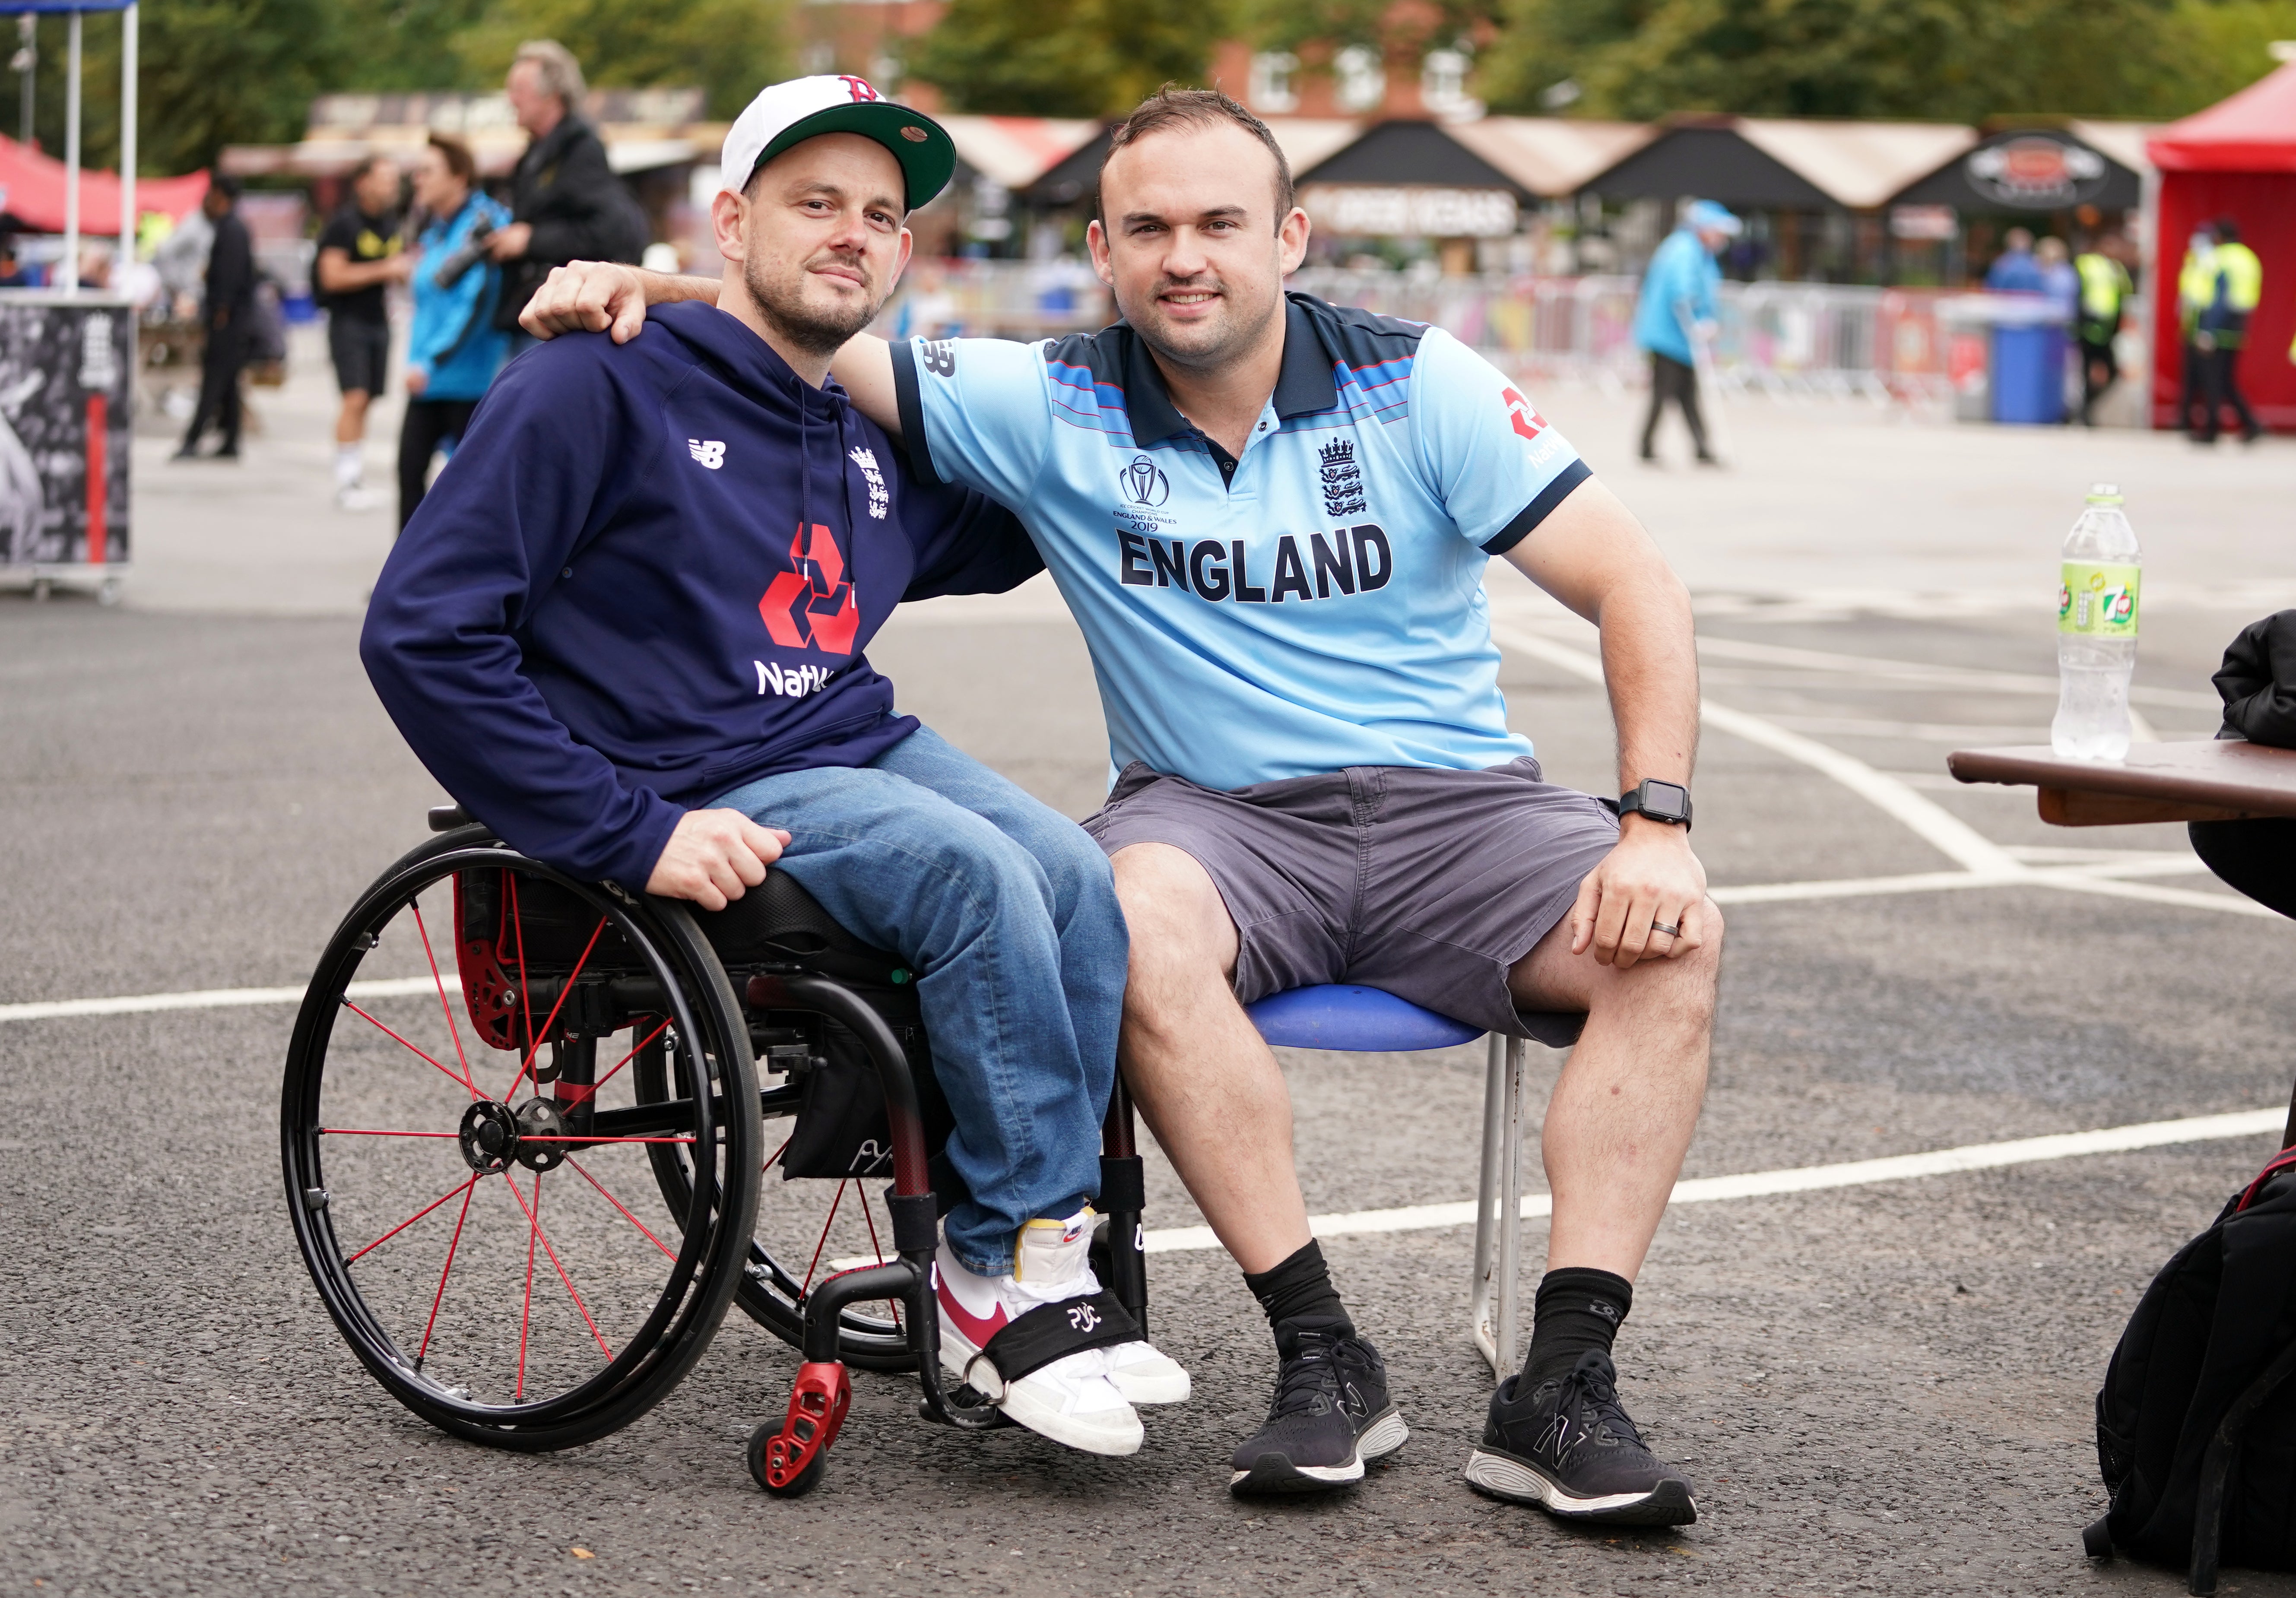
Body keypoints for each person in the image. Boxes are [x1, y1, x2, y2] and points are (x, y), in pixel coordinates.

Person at [527, 84, 1722, 1525]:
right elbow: (806, 309)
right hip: (1215, 822)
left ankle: (1565, 1384)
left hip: (1457, 811)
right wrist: (632, 283)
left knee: (1673, 941)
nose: (1185, 257)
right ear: (1101, 247)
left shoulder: (1425, 382)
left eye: (1221, 222)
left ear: (1288, 237)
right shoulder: (1048, 397)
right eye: (1148, 227)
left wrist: (1652, 819)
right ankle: (1318, 1352)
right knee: (1123, 912)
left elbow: (1632, 583)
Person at [362, 75, 1191, 1459]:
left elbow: (1036, 501)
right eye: (814, 205)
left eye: (879, 216)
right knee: (979, 877)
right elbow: (420, 633)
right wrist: (628, 832)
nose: (852, 234)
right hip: (684, 776)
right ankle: (996, 1273)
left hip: (847, 742)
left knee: (1073, 871)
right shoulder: (591, 380)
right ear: (730, 219)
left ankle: (1050, 1255)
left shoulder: (854, 422)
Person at [486, 40, 646, 349]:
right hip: (540, 314)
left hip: (564, 324)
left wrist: (530, 240)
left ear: (553, 95)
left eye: (519, 89)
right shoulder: (536, 154)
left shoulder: (580, 150)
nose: (511, 100)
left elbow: (612, 234)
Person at [396, 134, 511, 530]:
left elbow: (474, 304)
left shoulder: (485, 223)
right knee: (409, 475)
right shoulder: (438, 229)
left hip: (469, 380)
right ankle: (405, 582)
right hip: (430, 379)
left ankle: (460, 584)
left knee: (470, 495)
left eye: (428, 171)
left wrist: (429, 361)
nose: (418, 179)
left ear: (460, 177)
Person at [315, 156, 412, 508]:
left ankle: (355, 476)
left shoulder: (390, 223)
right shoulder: (344, 223)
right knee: (353, 398)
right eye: (385, 178)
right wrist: (386, 268)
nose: (392, 186)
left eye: (395, 179)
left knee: (367, 400)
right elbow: (332, 276)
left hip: (379, 321)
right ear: (363, 183)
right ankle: (346, 482)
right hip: (348, 322)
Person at [1630, 199, 1737, 466]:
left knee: (1686, 393)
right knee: (1665, 391)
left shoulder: (1698, 251)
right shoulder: (1683, 249)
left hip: (1681, 339)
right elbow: (1683, 291)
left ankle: (1701, 447)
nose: (1721, 238)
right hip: (1669, 336)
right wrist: (1699, 322)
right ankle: (1647, 445)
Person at [174, 176, 255, 461]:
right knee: (229, 381)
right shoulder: (231, 228)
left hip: (228, 320)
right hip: (231, 318)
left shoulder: (231, 230)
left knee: (215, 378)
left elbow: (231, 277)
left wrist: (221, 311)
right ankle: (231, 438)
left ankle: (192, 439)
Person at [2188, 215, 2263, 445]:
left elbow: (2221, 298)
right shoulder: (2249, 258)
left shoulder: (2220, 258)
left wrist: (2208, 330)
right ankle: (2251, 424)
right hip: (2238, 326)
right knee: (2226, 381)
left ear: (2219, 237)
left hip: (2218, 325)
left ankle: (2212, 429)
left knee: (2212, 380)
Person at [2074, 233, 2133, 427]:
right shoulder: (2087, 264)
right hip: (2089, 326)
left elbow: (2124, 296)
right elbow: (2077, 292)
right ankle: (2085, 412)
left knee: (2112, 371)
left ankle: (2087, 408)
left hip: (2108, 329)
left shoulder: (2117, 269)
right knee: (2087, 370)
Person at [1985, 226, 2045, 293]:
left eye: (2023, 240)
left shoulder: (2037, 263)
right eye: (2019, 240)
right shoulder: (2002, 263)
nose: (2021, 243)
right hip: (2008, 301)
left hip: (2030, 301)